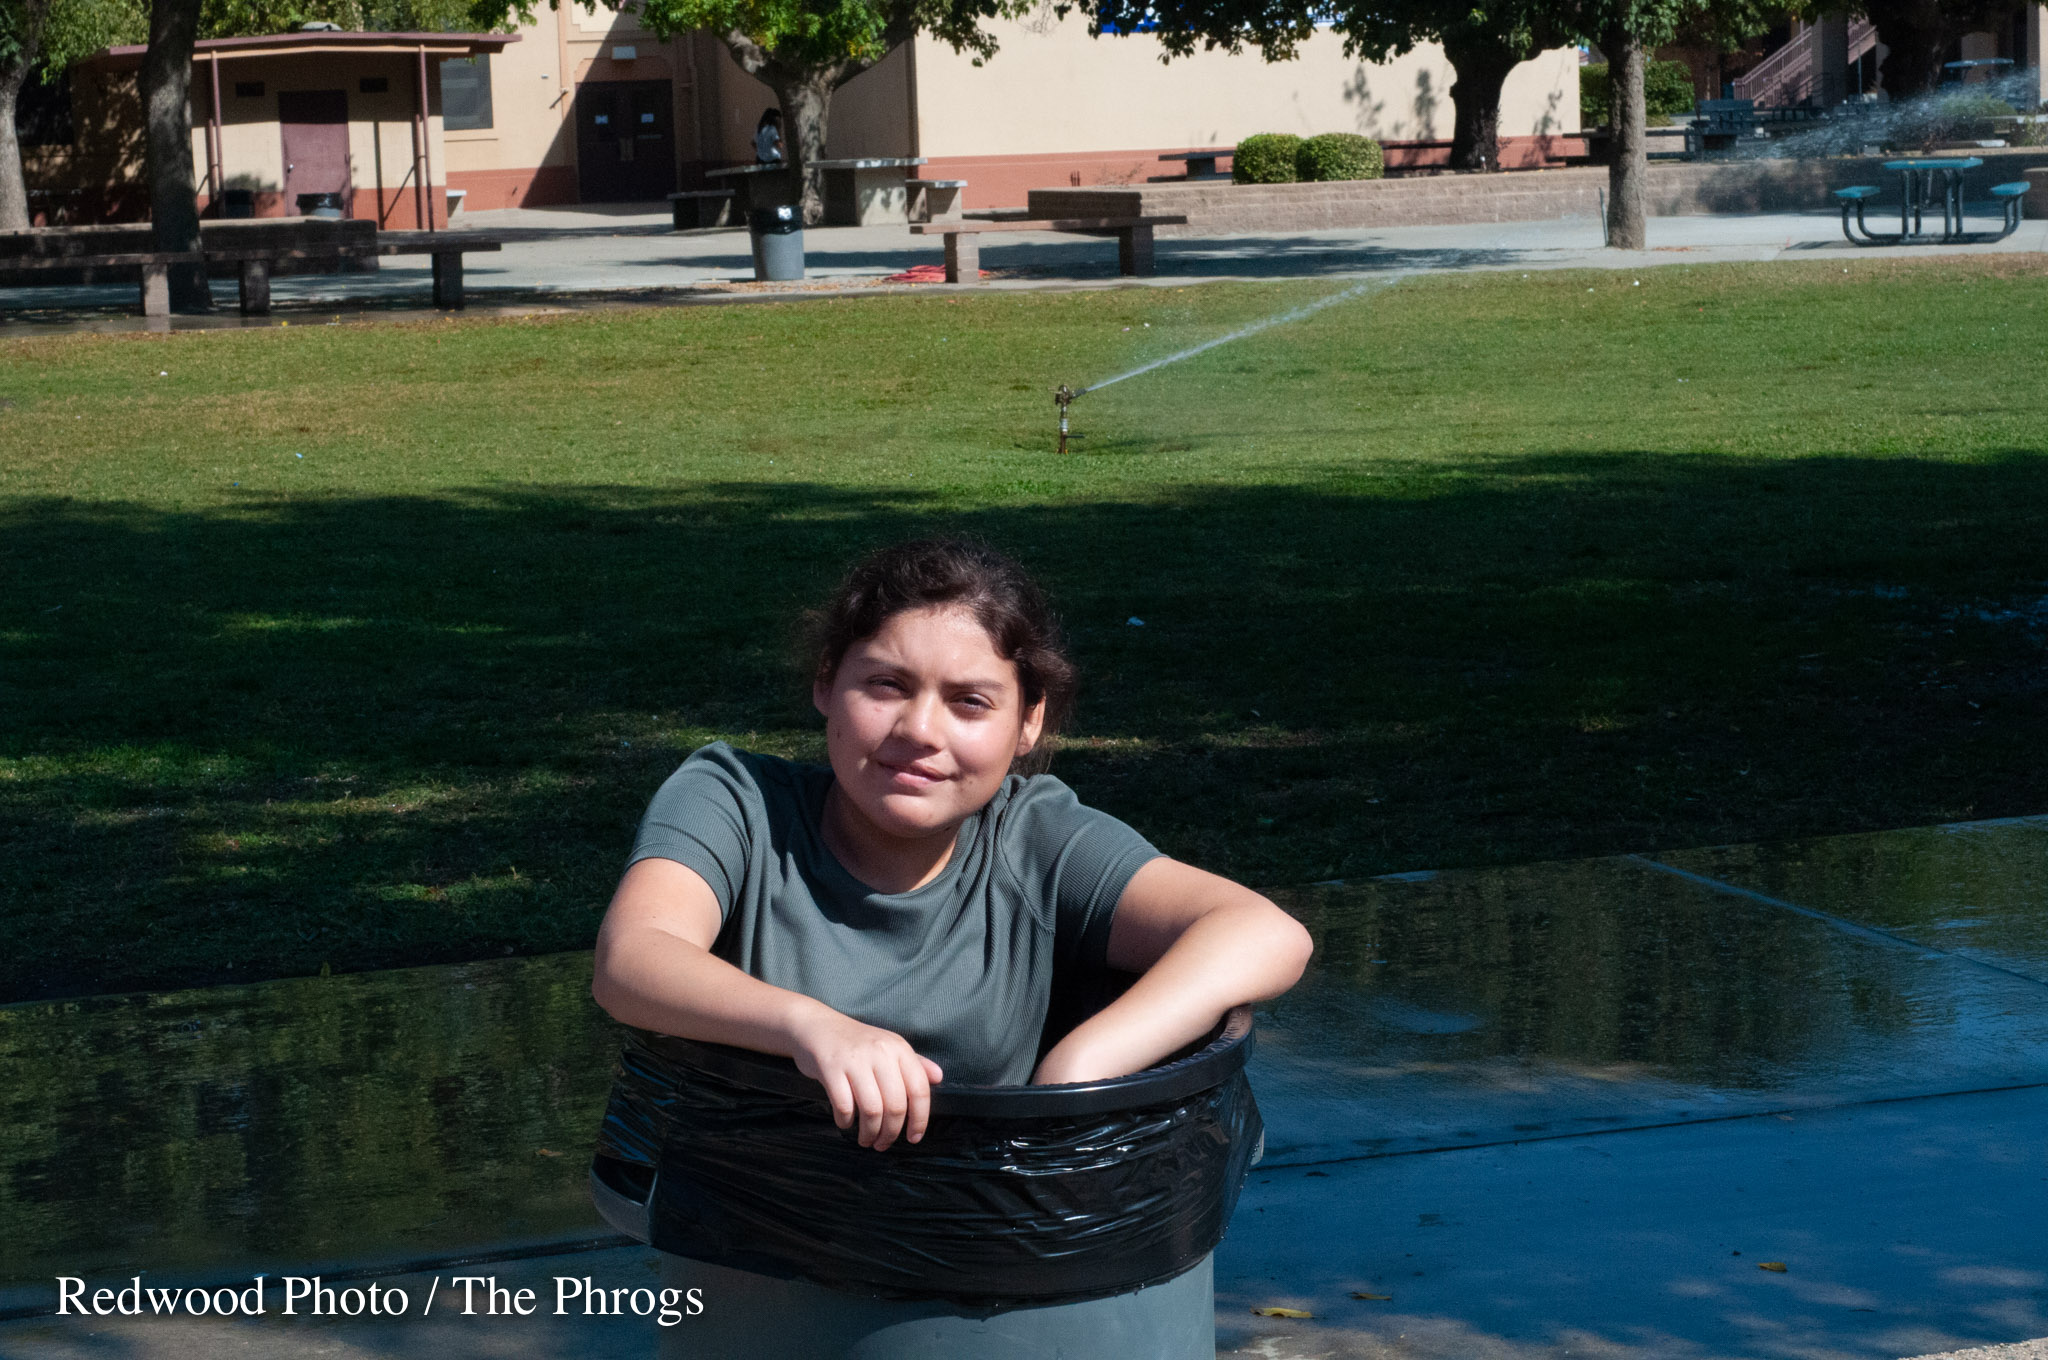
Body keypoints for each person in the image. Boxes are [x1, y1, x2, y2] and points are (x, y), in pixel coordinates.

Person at [590, 538, 1311, 1155]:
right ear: (825, 684)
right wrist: (814, 1028)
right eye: (886, 685)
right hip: (758, 1248)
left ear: (1028, 725)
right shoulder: (735, 801)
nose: (920, 731)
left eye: (970, 702)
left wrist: (1076, 1075)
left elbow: (1262, 933)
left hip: (992, 1257)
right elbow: (632, 960)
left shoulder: (1035, 838)